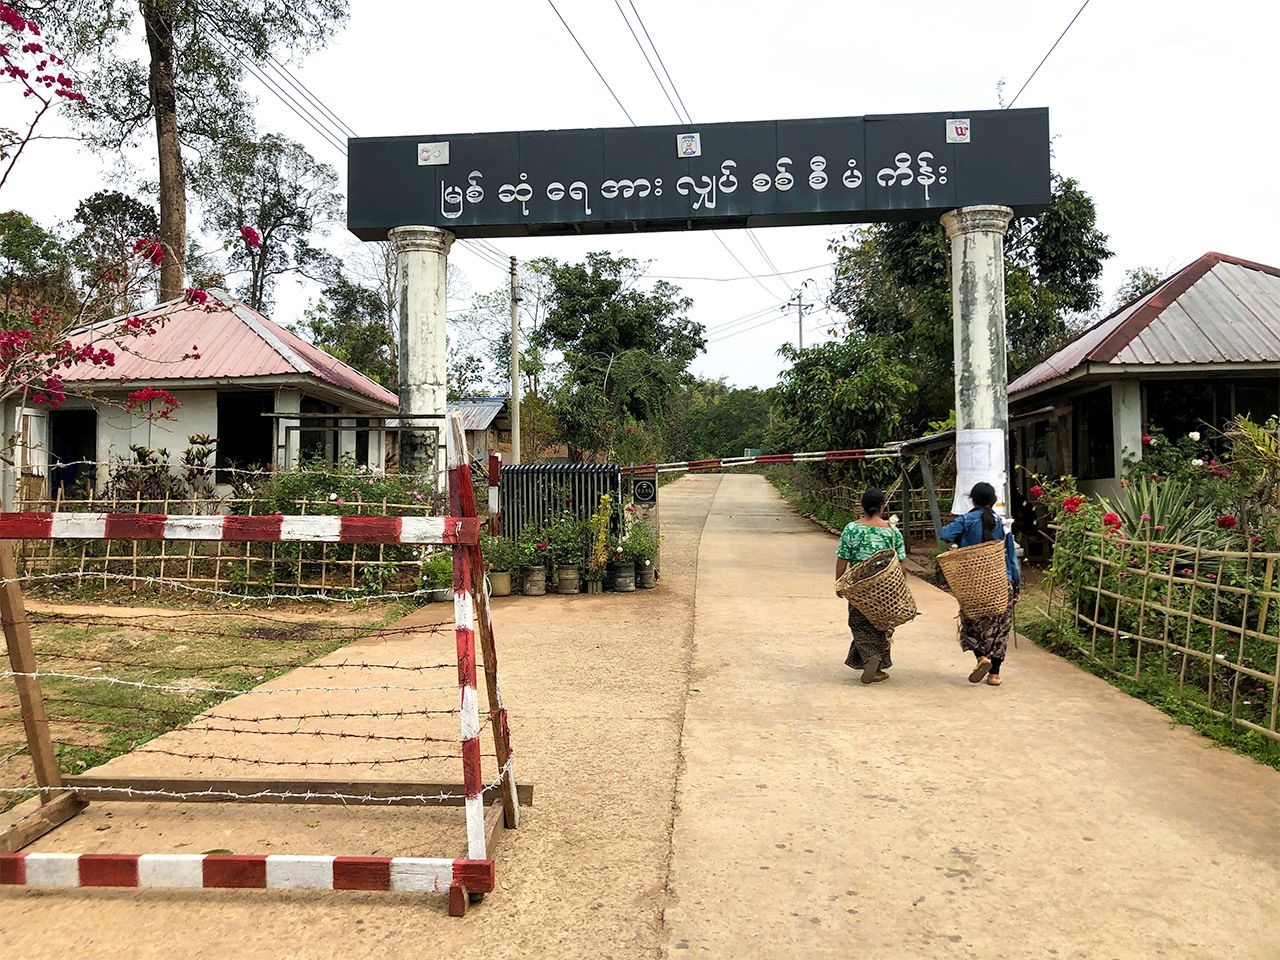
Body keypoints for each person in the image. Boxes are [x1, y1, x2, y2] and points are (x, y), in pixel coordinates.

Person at [940, 481, 1021, 686]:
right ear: (993, 501)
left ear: (972, 500)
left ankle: (981, 657)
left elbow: (945, 534)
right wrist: (1016, 586)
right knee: (1000, 628)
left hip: (973, 584)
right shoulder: (1003, 523)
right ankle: (995, 674)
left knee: (971, 624)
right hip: (1001, 582)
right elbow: (1012, 558)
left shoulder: (966, 520)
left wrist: (959, 540)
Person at [835, 488, 907, 684]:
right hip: (886, 585)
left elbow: (842, 557)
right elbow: (901, 561)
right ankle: (877, 664)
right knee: (882, 623)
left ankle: (870, 659)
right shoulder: (892, 531)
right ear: (882, 507)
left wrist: (839, 581)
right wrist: (902, 587)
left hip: (859, 585)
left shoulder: (852, 529)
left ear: (863, 506)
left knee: (859, 623)